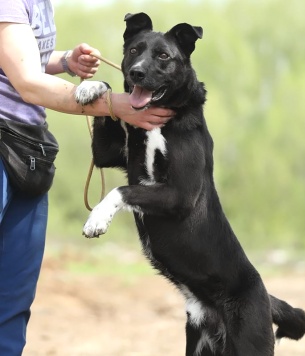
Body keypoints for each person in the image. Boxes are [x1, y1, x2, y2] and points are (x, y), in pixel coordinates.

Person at [0, 1, 174, 354]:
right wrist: (113, 104)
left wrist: (65, 61)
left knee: (13, 301)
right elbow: (28, 83)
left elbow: (18, 55)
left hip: (28, 150)